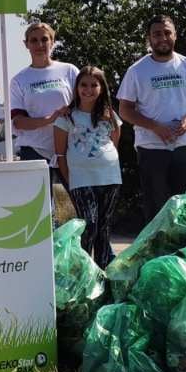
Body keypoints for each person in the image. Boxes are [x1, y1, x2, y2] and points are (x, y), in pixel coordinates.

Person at [117, 15, 186, 225]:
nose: (162, 38)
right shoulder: (137, 70)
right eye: (156, 34)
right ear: (149, 39)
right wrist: (155, 127)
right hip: (151, 148)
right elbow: (124, 110)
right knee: (156, 207)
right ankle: (158, 253)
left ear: (175, 35)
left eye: (167, 32)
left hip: (185, 147)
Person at [55, 66, 122, 266]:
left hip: (110, 176)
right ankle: (82, 271)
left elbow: (115, 137)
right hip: (81, 179)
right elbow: (60, 153)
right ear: (76, 88)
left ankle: (102, 273)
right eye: (83, 85)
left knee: (104, 227)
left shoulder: (109, 114)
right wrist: (70, 178)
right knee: (89, 225)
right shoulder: (66, 117)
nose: (88, 89)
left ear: (102, 88)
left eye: (94, 85)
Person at [8, 22, 78, 185]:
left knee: (80, 203)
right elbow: (18, 122)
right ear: (26, 44)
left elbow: (85, 105)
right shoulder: (19, 80)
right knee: (42, 209)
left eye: (44, 39)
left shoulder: (70, 71)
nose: (39, 45)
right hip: (34, 150)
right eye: (33, 40)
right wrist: (49, 119)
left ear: (52, 42)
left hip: (70, 148)